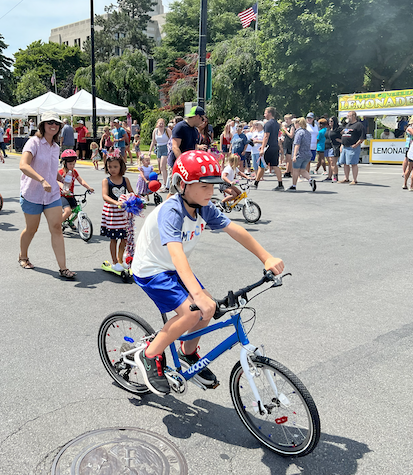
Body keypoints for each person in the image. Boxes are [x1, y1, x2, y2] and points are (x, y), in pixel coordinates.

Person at [130, 150, 284, 395]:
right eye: (203, 186)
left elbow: (235, 230)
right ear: (181, 185)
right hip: (152, 269)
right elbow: (176, 254)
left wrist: (267, 257)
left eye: (212, 186)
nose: (210, 192)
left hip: (172, 268)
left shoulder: (203, 207)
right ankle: (150, 354)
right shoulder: (172, 211)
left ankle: (188, 353)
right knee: (193, 312)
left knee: (208, 308)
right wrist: (197, 295)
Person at [18, 112, 76, 279]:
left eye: (56, 123)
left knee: (57, 227)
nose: (53, 125)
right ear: (42, 125)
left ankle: (63, 268)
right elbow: (23, 165)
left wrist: (59, 179)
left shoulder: (56, 147)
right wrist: (42, 180)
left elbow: (50, 170)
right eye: (49, 122)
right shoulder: (33, 142)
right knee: (31, 229)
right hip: (32, 193)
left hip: (52, 195)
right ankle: (23, 256)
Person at [100, 150, 134, 272]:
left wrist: (137, 199)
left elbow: (131, 193)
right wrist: (116, 203)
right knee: (113, 238)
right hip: (112, 213)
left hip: (123, 214)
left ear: (121, 166)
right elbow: (105, 196)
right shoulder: (106, 181)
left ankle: (120, 260)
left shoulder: (125, 180)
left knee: (124, 238)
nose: (112, 169)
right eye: (110, 167)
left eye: (115, 166)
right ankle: (114, 262)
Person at [58, 148, 94, 224]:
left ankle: (70, 222)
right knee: (68, 211)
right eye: (70, 164)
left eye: (74, 164)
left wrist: (88, 187)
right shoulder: (61, 172)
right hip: (62, 195)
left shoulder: (74, 172)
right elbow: (58, 182)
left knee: (77, 210)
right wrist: (63, 189)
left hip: (70, 195)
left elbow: (81, 180)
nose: (72, 166)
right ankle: (57, 225)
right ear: (64, 163)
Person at [256, 106, 284, 190]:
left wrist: (262, 148)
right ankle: (280, 184)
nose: (264, 115)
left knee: (261, 165)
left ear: (269, 113)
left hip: (268, 147)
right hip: (275, 146)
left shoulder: (268, 124)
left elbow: (266, 136)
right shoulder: (276, 123)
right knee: (275, 165)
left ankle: (256, 183)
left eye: (265, 113)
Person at [287, 117, 316, 192]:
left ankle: (294, 185)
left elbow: (297, 144)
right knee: (303, 170)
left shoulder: (299, 133)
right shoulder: (307, 132)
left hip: (299, 154)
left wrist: (294, 155)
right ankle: (310, 180)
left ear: (298, 124)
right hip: (307, 154)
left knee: (295, 170)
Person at [339, 111, 365, 185]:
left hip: (352, 147)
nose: (347, 117)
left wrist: (356, 145)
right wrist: (341, 145)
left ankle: (354, 179)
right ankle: (346, 178)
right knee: (345, 163)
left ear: (353, 116)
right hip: (344, 147)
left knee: (353, 163)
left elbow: (362, 137)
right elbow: (343, 135)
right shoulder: (347, 125)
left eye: (349, 116)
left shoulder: (359, 125)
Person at [148, 118, 171, 191]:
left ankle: (165, 185)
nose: (161, 125)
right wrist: (149, 151)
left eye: (162, 123)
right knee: (161, 168)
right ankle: (167, 182)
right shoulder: (155, 131)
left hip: (166, 148)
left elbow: (172, 139)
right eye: (159, 123)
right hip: (158, 148)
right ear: (157, 124)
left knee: (162, 166)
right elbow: (153, 141)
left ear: (164, 124)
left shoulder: (167, 130)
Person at [326, 116, 342, 182]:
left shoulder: (338, 129)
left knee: (333, 163)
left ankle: (335, 176)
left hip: (334, 147)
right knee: (329, 163)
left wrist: (340, 141)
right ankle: (329, 176)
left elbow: (344, 137)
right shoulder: (328, 129)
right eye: (329, 121)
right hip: (327, 147)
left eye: (331, 121)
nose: (330, 123)